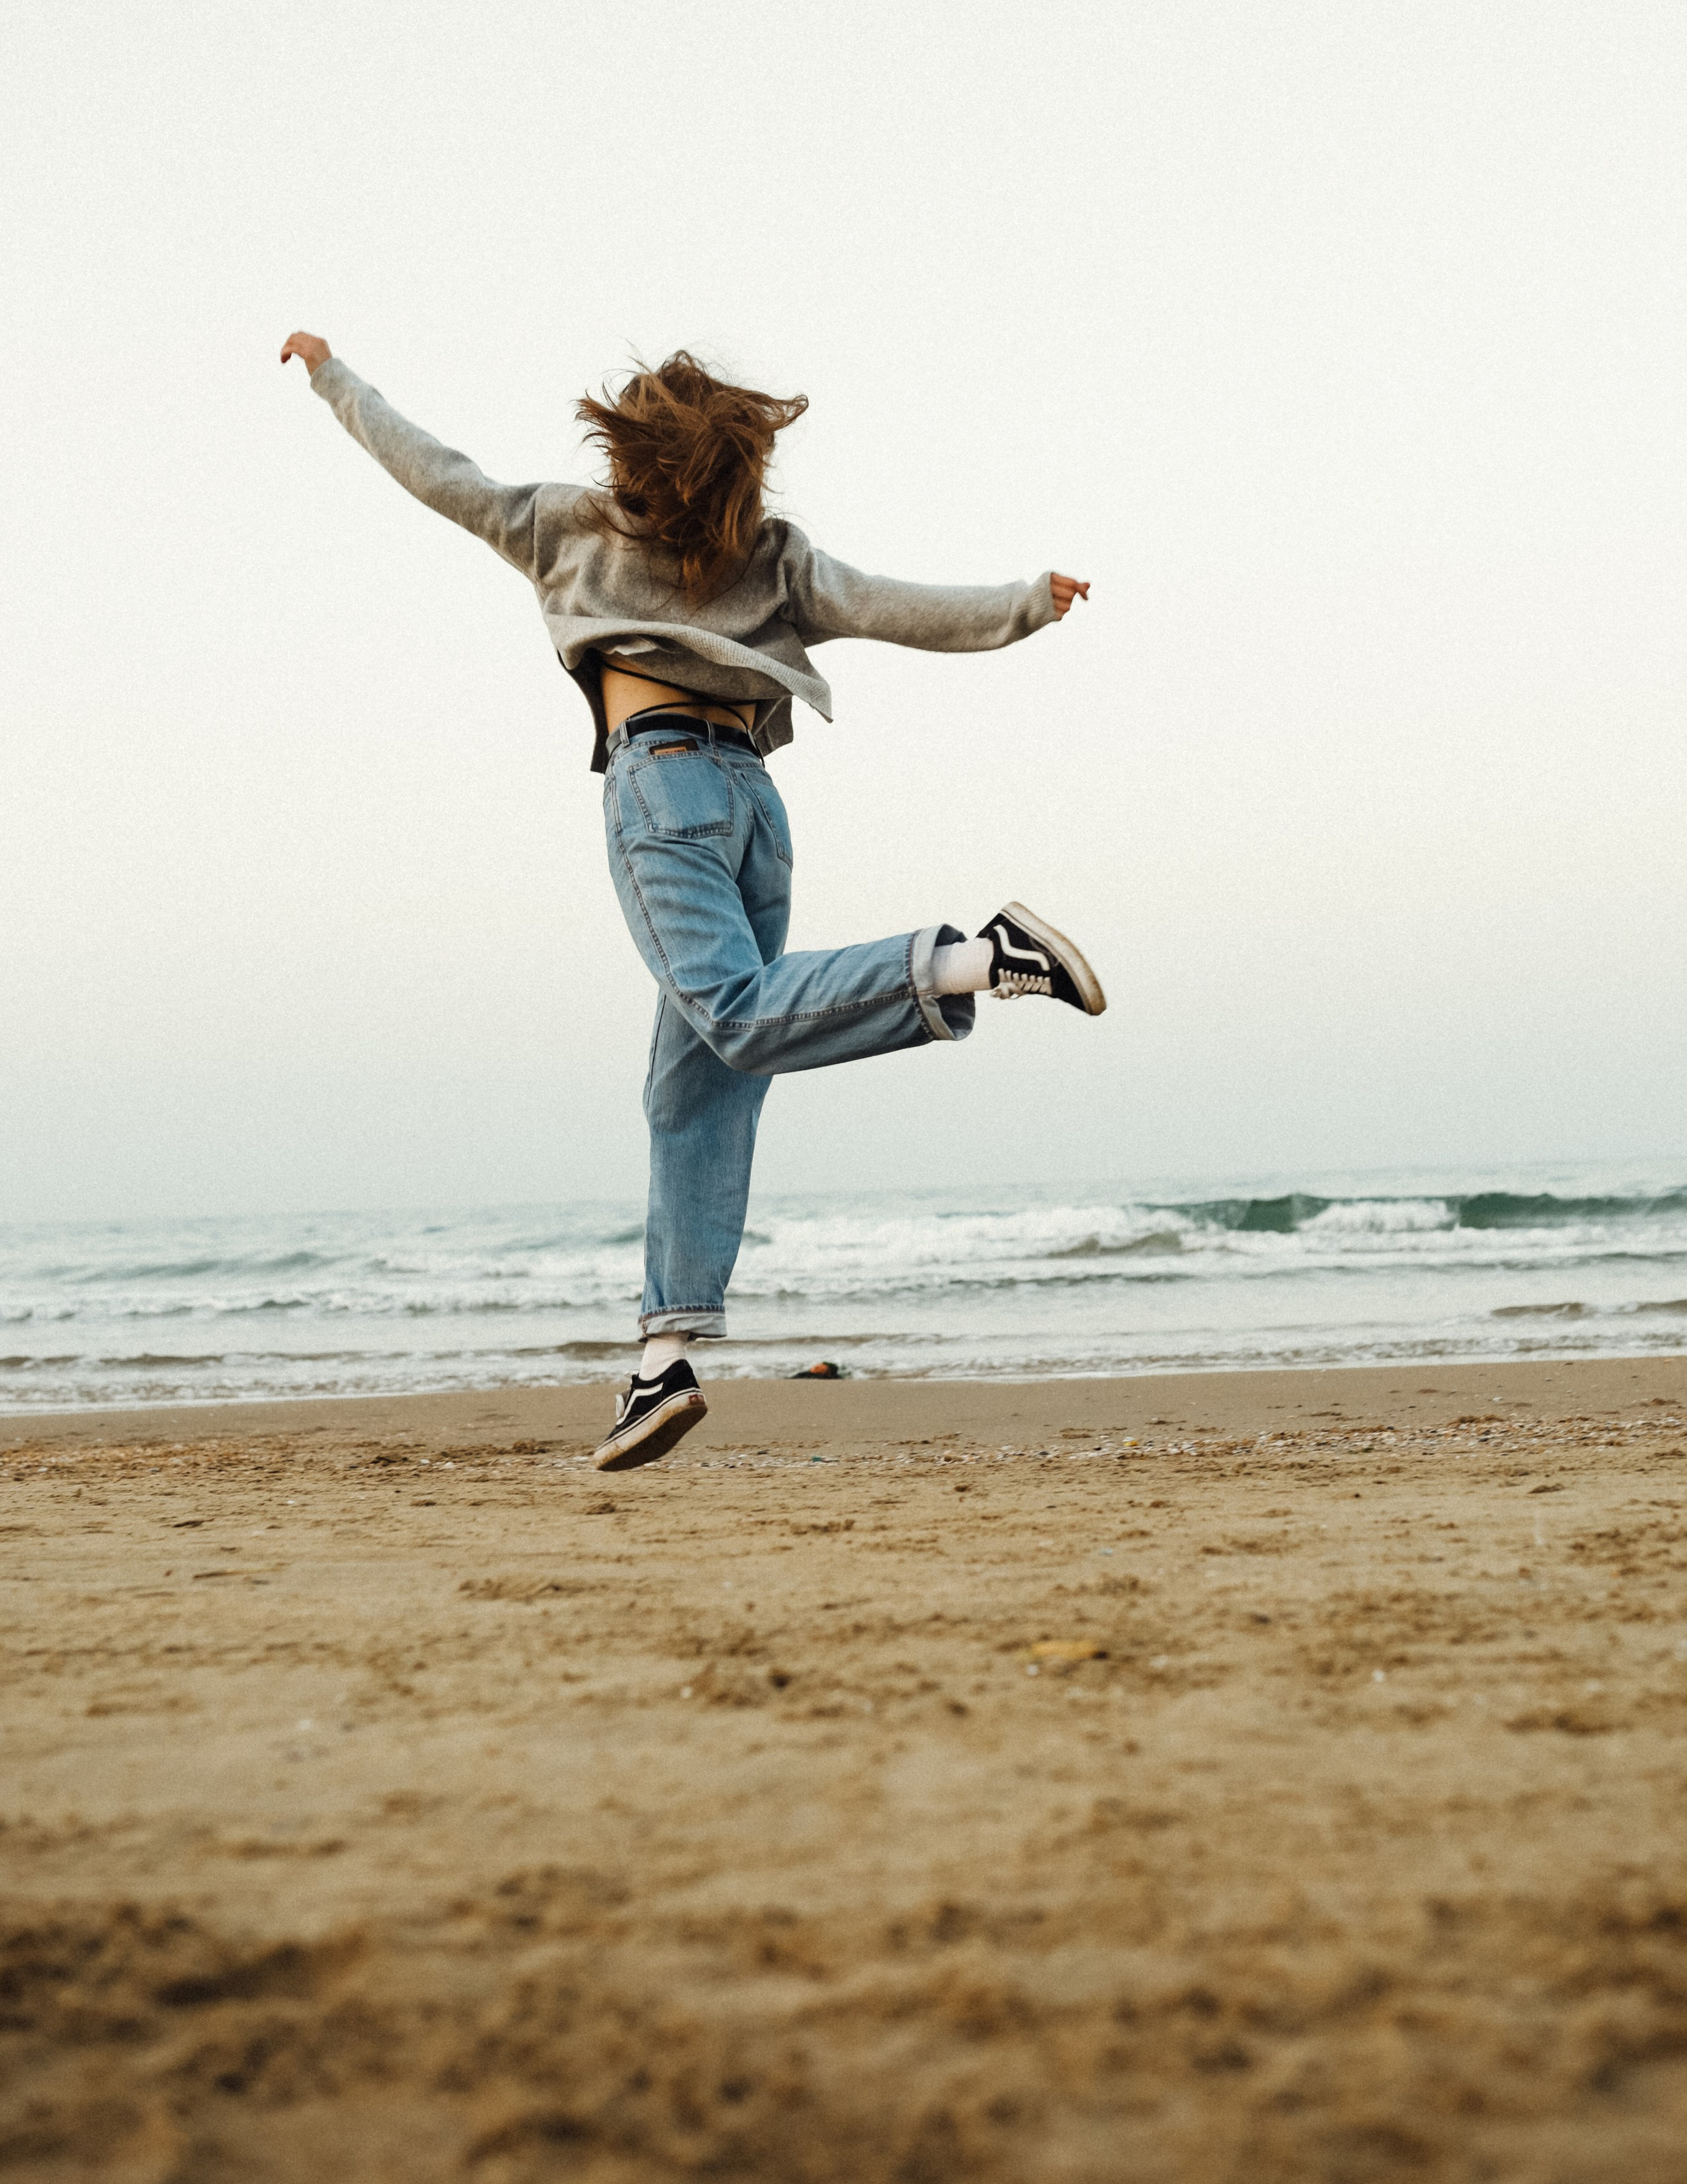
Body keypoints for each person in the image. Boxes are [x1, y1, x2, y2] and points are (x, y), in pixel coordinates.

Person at [280, 332, 1104, 1469]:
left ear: (629, 451)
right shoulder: (769, 555)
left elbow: (436, 471)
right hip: (755, 809)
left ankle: (975, 956)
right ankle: (663, 1364)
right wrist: (1021, 604)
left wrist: (335, 380)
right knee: (697, 1086)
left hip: (662, 788)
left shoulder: (566, 524)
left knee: (735, 1012)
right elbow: (890, 606)